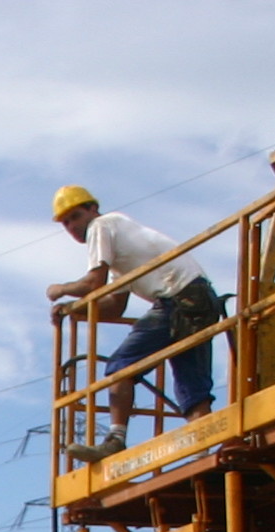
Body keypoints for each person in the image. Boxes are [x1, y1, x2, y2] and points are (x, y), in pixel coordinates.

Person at [47, 186, 223, 460]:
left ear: (93, 210)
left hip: (177, 298)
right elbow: (115, 306)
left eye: (75, 216)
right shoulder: (123, 246)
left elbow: (94, 283)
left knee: (120, 367)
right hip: (200, 300)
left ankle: (115, 439)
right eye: (66, 222)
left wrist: (62, 289)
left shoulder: (101, 226)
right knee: (193, 387)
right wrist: (75, 311)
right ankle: (204, 453)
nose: (71, 226)